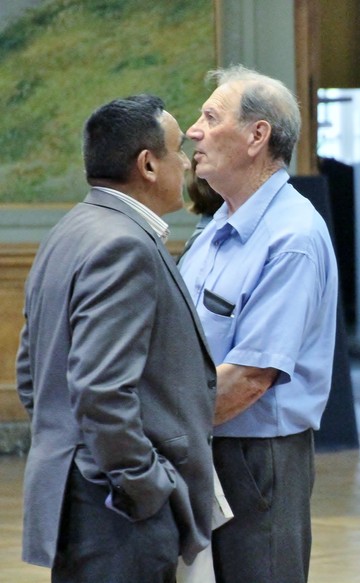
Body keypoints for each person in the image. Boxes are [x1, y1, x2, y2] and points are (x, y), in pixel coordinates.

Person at [15, 95, 217, 582]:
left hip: (83, 498)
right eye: (176, 150)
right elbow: (101, 389)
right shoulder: (123, 244)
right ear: (148, 164)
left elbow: (31, 376)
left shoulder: (71, 229)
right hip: (115, 511)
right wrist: (144, 485)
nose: (187, 160)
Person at [179, 65, 339, 583]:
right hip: (206, 439)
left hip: (255, 460)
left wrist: (160, 428)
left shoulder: (291, 237)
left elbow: (249, 378)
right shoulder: (219, 224)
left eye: (209, 116)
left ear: (257, 136)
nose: (192, 131)